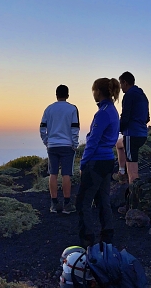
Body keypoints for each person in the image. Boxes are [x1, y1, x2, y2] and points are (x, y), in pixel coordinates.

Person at [77, 78, 121, 246]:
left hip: (95, 162)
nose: (92, 93)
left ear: (99, 91)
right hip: (108, 161)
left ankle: (87, 241)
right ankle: (107, 237)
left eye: (93, 90)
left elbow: (93, 141)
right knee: (103, 200)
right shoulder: (112, 110)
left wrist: (83, 163)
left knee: (83, 202)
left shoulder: (102, 113)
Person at [40, 84, 80, 214]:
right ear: (67, 95)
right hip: (67, 145)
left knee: (53, 174)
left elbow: (42, 127)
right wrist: (74, 144)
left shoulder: (49, 109)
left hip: (52, 145)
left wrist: (47, 141)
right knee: (66, 174)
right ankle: (67, 204)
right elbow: (75, 128)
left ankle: (54, 203)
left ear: (56, 95)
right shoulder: (72, 109)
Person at [116, 72, 149, 184]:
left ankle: (134, 198)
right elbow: (147, 118)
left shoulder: (129, 95)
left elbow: (125, 117)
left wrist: (117, 129)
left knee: (133, 172)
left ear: (125, 82)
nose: (121, 87)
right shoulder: (142, 95)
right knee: (119, 144)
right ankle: (121, 172)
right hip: (142, 134)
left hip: (132, 135)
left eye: (121, 84)